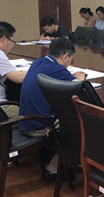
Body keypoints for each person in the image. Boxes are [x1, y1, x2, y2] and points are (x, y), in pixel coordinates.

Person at [19, 37, 87, 181]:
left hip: (25, 120)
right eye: (70, 60)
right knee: (80, 124)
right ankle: (55, 167)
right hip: (40, 125)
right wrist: (81, 77)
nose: (69, 64)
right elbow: (79, 89)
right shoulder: (57, 69)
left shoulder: (38, 62)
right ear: (65, 56)